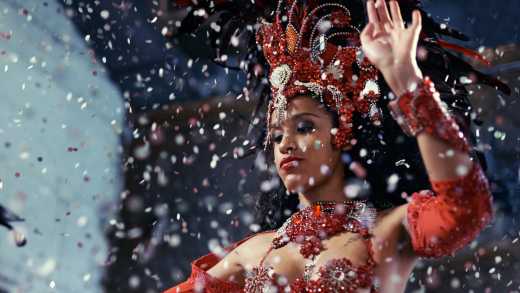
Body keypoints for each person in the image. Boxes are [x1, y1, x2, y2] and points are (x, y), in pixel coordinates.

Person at [164, 0, 507, 292]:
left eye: (303, 127)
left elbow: (467, 208)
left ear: (342, 131)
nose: (285, 145)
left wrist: (407, 83)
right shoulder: (250, 254)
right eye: (277, 135)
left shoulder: (386, 234)